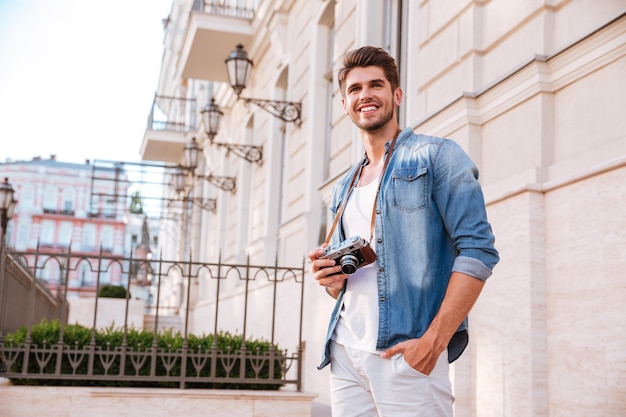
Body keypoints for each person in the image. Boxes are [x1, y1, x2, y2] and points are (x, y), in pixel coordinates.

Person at [308, 46, 500, 417]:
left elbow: (479, 251)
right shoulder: (342, 186)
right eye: (355, 89)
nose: (365, 94)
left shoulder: (437, 157)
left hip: (405, 352)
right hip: (345, 350)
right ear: (345, 104)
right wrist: (328, 277)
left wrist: (434, 341)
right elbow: (346, 286)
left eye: (375, 85)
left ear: (396, 95)